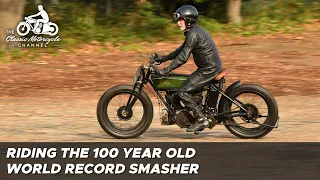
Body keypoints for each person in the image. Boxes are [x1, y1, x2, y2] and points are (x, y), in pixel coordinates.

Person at [153, 5, 223, 132]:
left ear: (188, 20)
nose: (178, 23)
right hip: (207, 68)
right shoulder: (192, 32)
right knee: (182, 86)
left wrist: (165, 71)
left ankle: (201, 119)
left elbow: (183, 58)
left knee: (183, 92)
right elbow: (179, 51)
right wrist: (162, 58)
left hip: (209, 69)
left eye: (181, 20)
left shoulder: (194, 34)